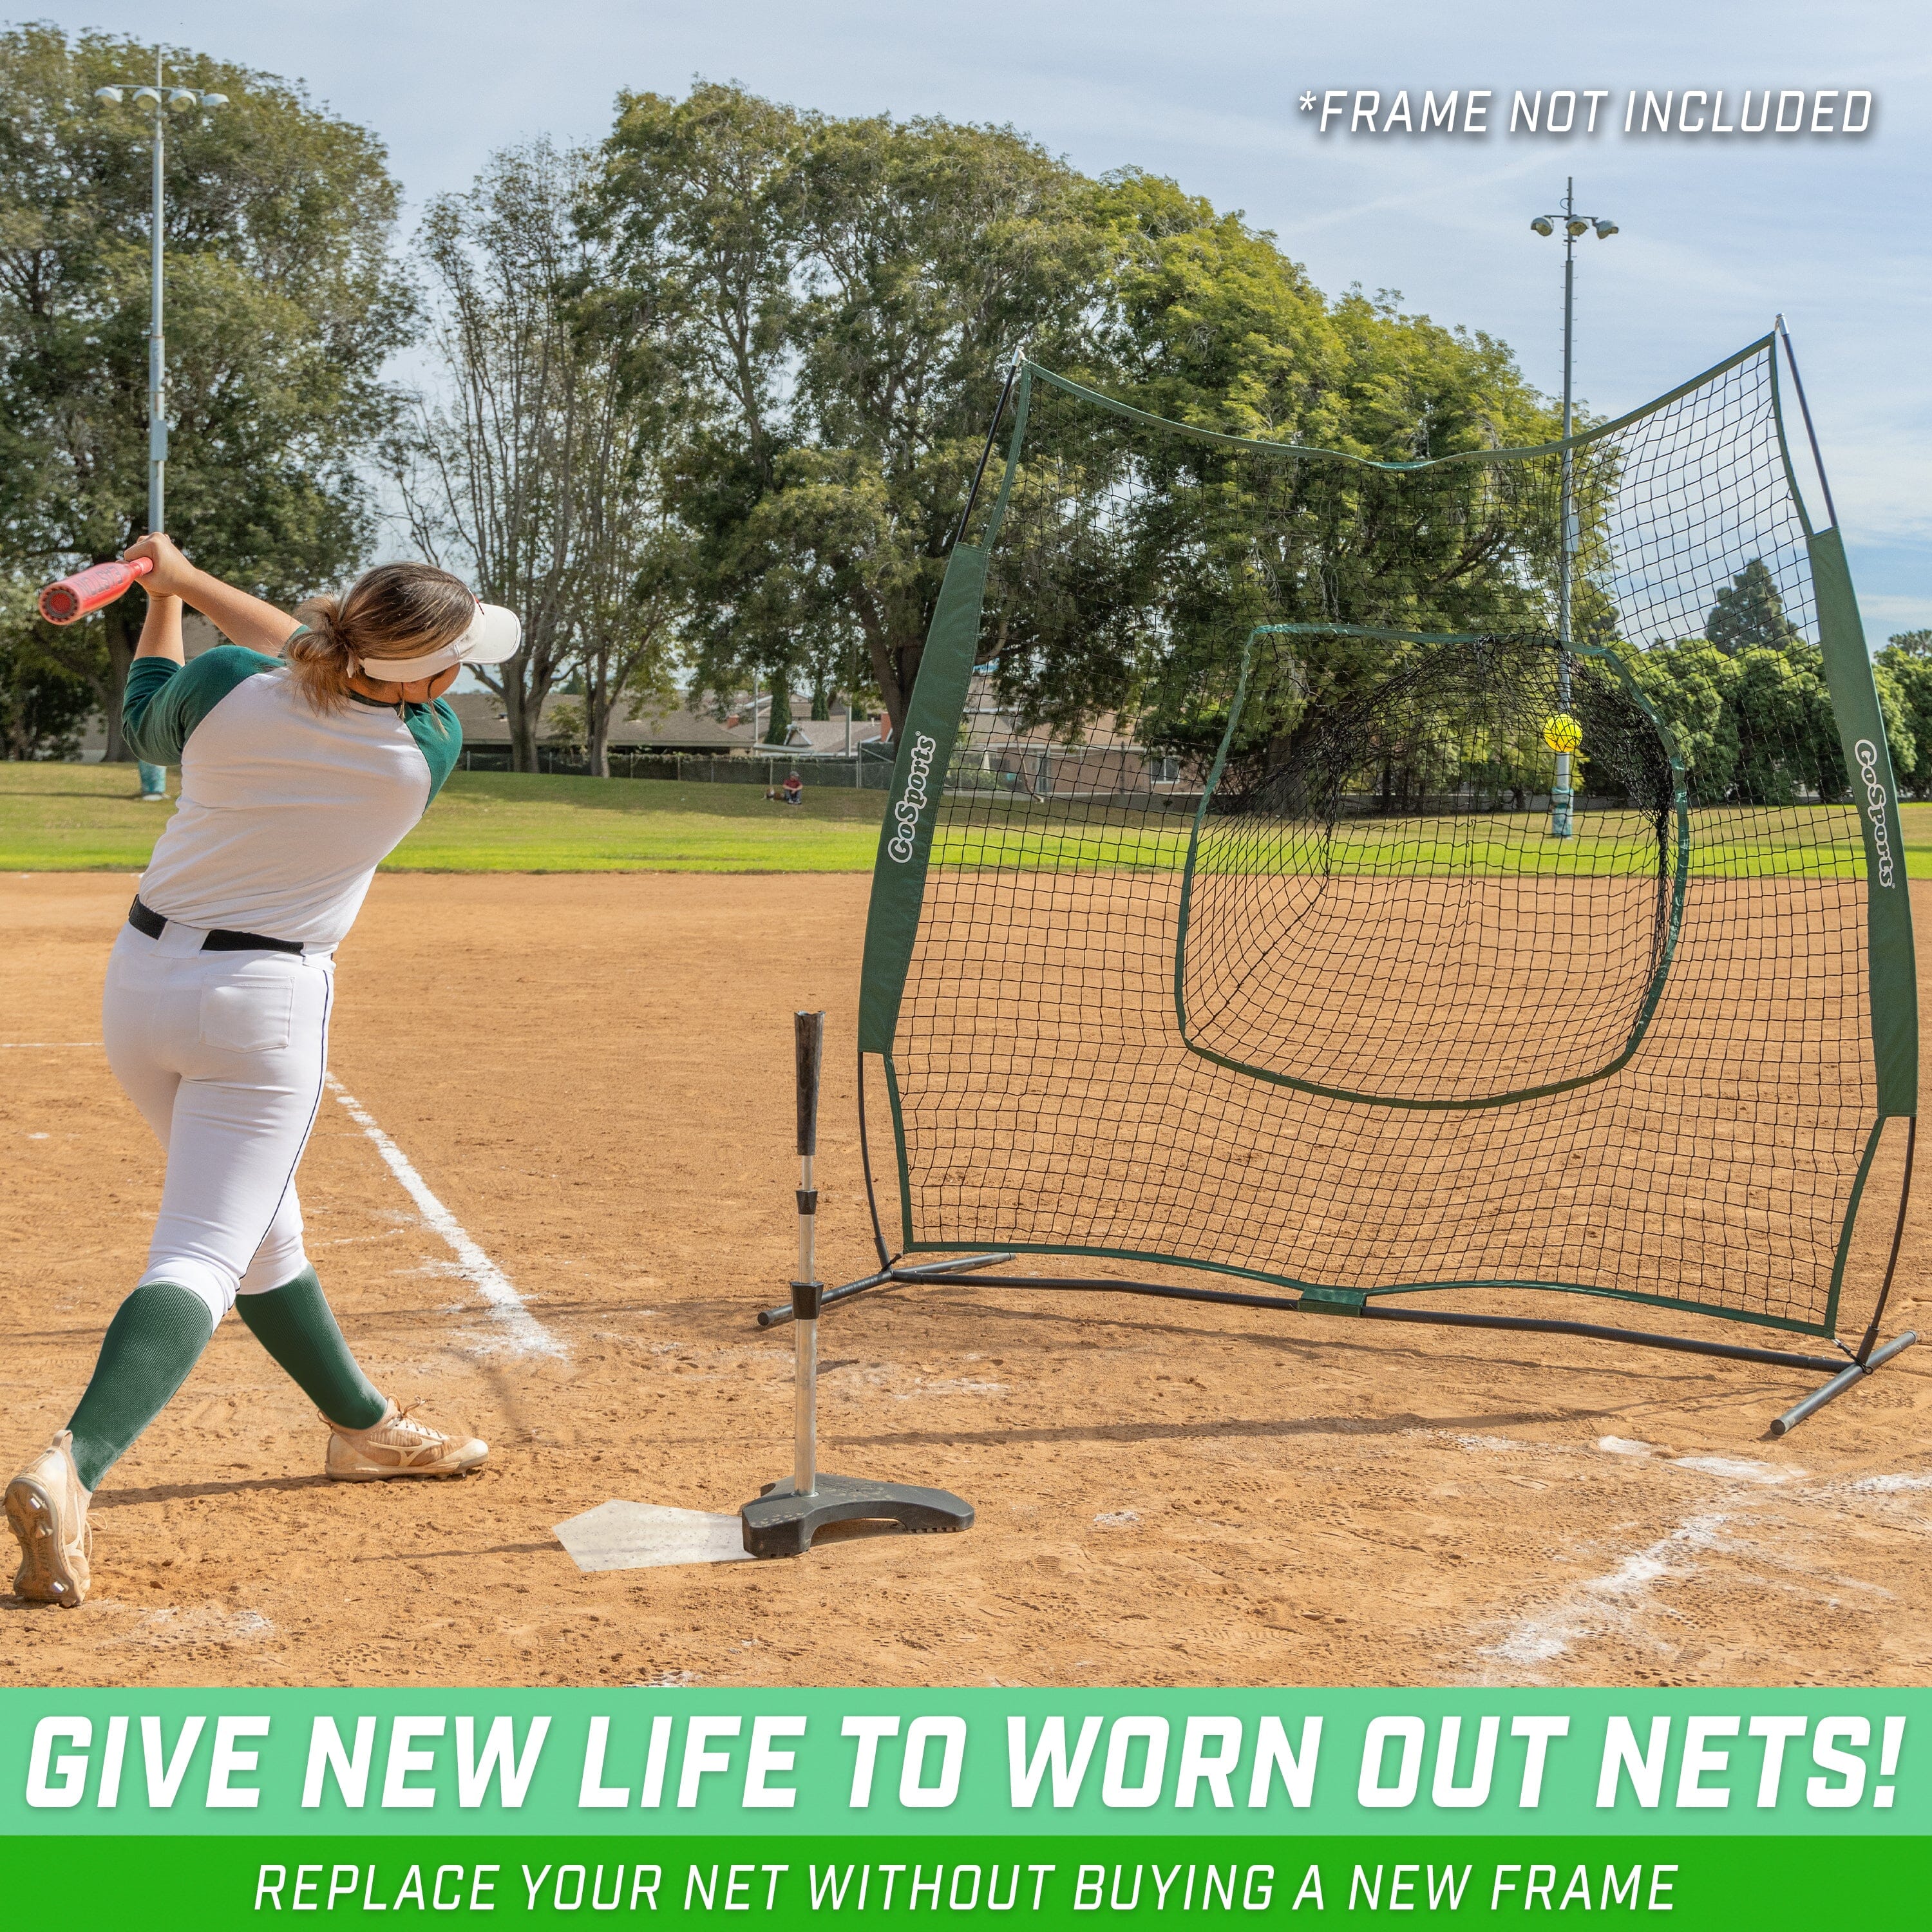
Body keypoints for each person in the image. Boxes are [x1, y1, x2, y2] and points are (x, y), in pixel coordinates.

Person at [6, 535, 522, 1609]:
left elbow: (154, 707)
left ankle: (363, 1428)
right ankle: (73, 1467)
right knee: (205, 1249)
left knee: (260, 1234)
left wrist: (167, 598)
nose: (459, 679)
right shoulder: (425, 747)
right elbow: (318, 656)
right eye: (453, 662)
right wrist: (185, 583)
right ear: (418, 679)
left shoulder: (228, 686)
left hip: (141, 988)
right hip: (261, 1013)